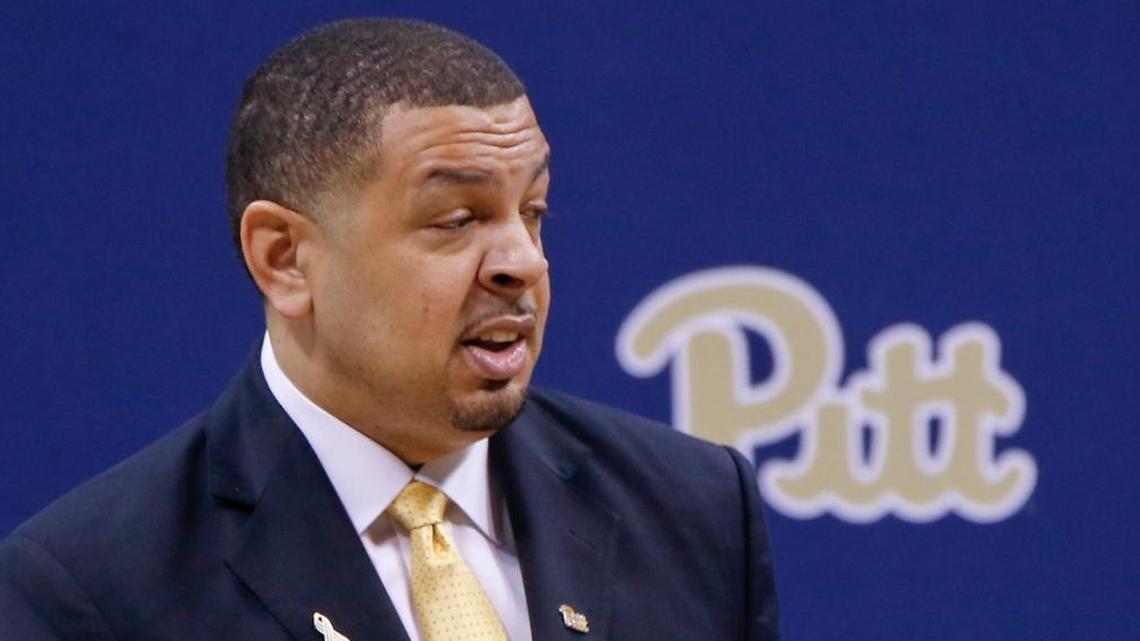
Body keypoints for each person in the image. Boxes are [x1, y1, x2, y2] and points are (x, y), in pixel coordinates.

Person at [0, 18, 779, 640]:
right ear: (285, 259)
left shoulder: (696, 509)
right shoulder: (90, 591)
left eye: (532, 211)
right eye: (456, 219)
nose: (521, 261)